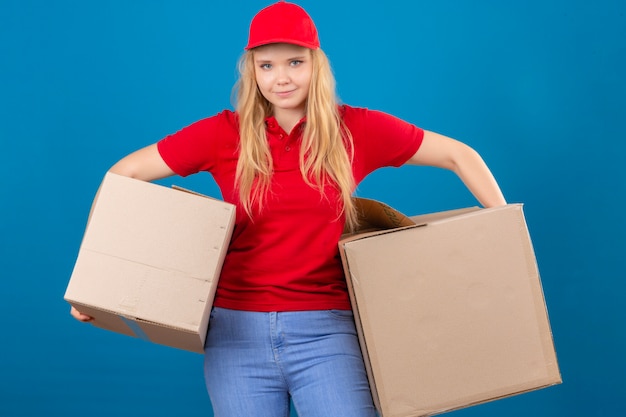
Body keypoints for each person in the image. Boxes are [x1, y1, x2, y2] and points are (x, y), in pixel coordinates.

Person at [71, 1, 506, 416]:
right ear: (253, 70)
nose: (281, 78)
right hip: (234, 334)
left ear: (316, 63)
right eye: (267, 65)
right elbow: (123, 174)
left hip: (328, 333)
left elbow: (458, 155)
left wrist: (504, 232)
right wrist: (94, 282)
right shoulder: (224, 134)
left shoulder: (355, 129)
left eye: (294, 62)